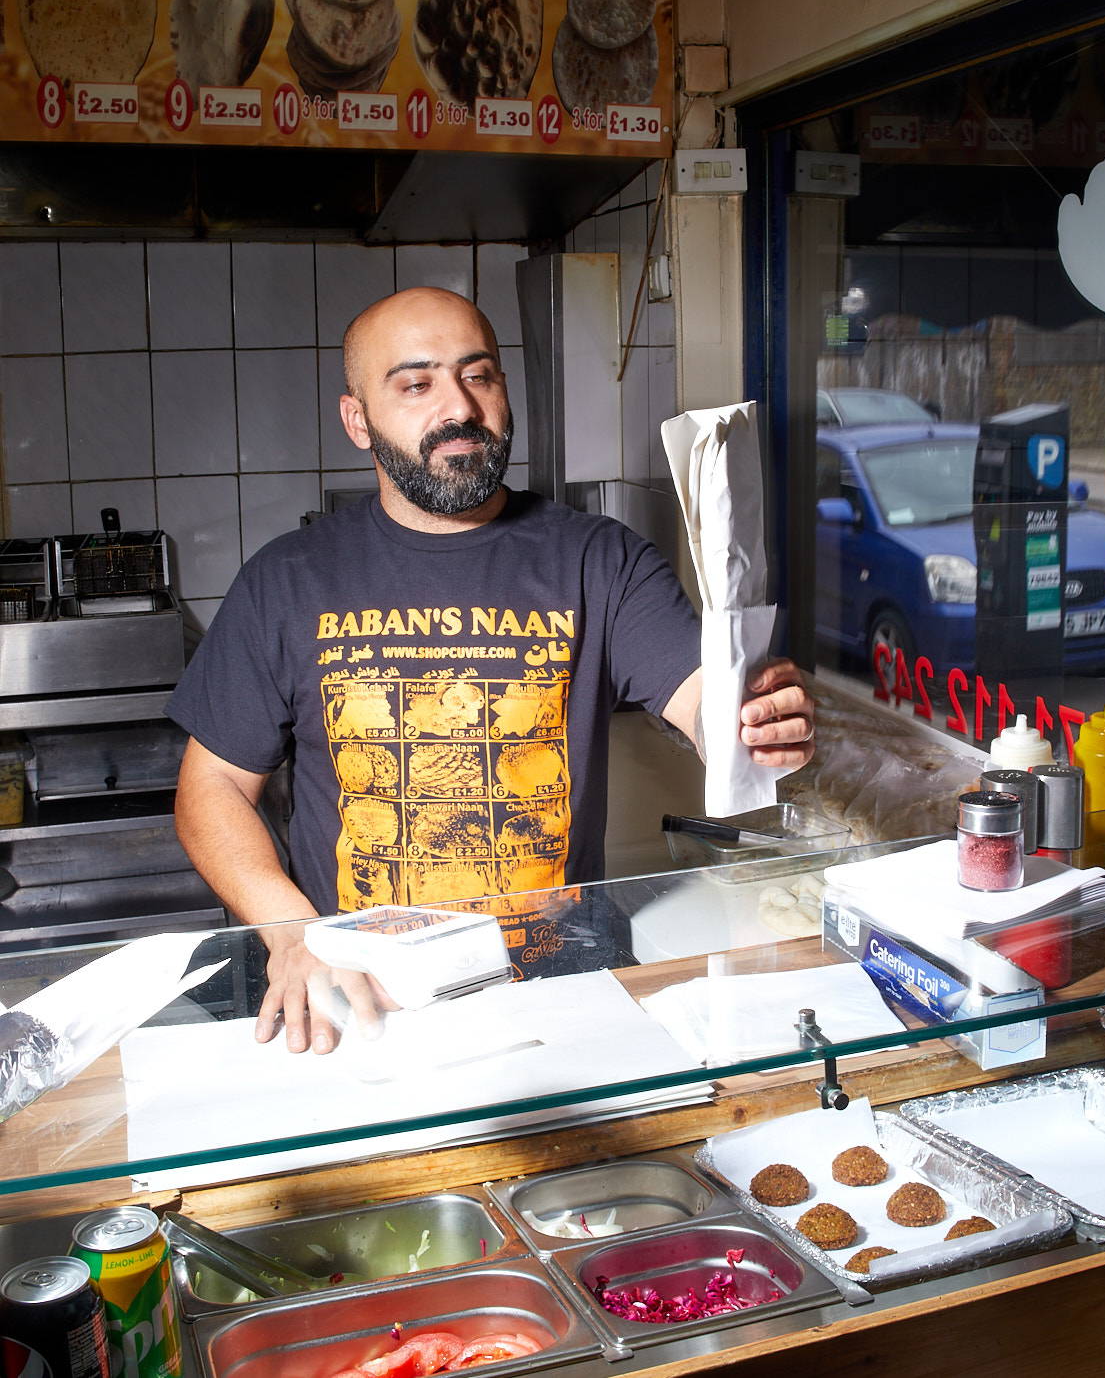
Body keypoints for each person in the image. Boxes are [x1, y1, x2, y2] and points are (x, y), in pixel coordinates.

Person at [169, 286, 815, 1053]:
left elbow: (701, 700)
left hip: (557, 986)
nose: (459, 407)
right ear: (357, 420)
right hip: (361, 997)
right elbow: (210, 788)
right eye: (415, 385)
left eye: (479, 376)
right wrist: (291, 931)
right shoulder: (289, 579)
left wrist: (751, 726)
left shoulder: (596, 559)